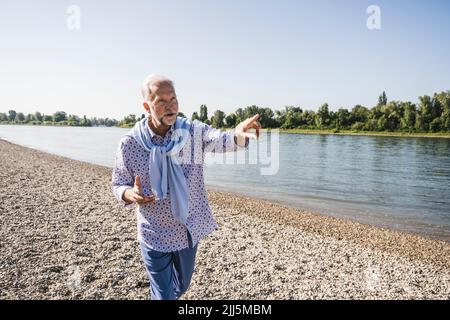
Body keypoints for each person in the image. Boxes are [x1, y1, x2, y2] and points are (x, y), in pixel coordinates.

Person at [111, 74, 261, 300]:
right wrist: (130, 194)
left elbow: (219, 139)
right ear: (146, 105)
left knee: (180, 287)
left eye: (173, 98)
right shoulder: (130, 144)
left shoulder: (192, 131)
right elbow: (118, 183)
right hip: (154, 233)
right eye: (161, 101)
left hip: (187, 230)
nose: (170, 106)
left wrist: (238, 136)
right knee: (165, 296)